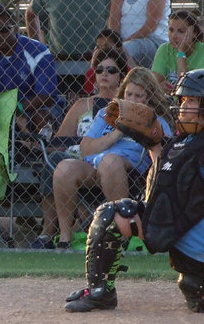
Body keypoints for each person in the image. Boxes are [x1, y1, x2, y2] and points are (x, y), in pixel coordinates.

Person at [64, 70, 204, 313]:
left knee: (201, 297)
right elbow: (163, 180)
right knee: (115, 214)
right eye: (183, 100)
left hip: (197, 232)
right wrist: (153, 145)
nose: (183, 107)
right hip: (172, 218)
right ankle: (100, 292)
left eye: (192, 101)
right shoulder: (181, 141)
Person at [52, 67, 172, 252]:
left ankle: (122, 234)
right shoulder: (107, 115)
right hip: (96, 165)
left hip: (131, 168)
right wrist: (118, 131)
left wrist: (140, 129)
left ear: (148, 97)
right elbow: (85, 149)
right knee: (64, 168)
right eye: (128, 94)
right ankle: (65, 237)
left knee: (110, 161)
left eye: (138, 96)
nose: (132, 100)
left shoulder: (156, 120)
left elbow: (163, 154)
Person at [30, 48, 128, 249]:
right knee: (56, 159)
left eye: (111, 70)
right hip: (78, 159)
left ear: (121, 76)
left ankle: (85, 220)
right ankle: (49, 230)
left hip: (112, 161)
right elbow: (59, 140)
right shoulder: (82, 105)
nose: (105, 75)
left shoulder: (127, 105)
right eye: (100, 70)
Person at [0, 7, 62, 135]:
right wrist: (7, 111)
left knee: (42, 116)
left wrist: (17, 109)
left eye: (4, 30)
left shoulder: (38, 51)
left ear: (16, 29)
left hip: (33, 108)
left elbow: (47, 96)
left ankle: (43, 152)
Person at [152, 10, 204, 93]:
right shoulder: (164, 49)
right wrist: (160, 87)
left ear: (194, 33)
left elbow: (186, 89)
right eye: (171, 30)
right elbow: (153, 84)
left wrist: (181, 52)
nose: (174, 36)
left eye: (180, 31)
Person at [82, 29, 131, 94]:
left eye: (106, 46)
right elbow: (88, 94)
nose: (102, 50)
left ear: (119, 49)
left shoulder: (128, 72)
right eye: (99, 47)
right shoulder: (92, 72)